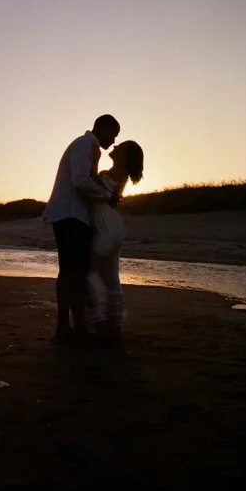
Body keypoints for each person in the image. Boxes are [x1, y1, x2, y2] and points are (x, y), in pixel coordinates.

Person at [43, 115, 121, 342]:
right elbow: (80, 181)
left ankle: (75, 326)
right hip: (69, 214)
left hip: (75, 216)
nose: (113, 141)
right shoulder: (84, 145)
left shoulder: (89, 148)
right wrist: (107, 195)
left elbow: (84, 180)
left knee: (75, 273)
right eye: (113, 134)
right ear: (103, 128)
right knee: (71, 272)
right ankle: (65, 327)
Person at [85, 140, 144, 341]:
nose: (115, 146)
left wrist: (94, 160)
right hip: (112, 228)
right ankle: (114, 325)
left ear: (125, 156)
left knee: (81, 274)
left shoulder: (119, 172)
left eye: (120, 146)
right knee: (111, 279)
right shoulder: (118, 173)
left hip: (107, 230)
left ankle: (99, 320)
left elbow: (91, 186)